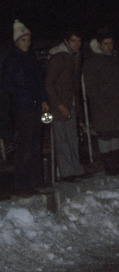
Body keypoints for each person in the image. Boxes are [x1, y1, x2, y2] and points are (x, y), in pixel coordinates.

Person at [1, 20, 49, 193]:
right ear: (16, 41)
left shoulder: (31, 58)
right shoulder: (11, 60)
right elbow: (6, 86)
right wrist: (22, 95)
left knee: (36, 143)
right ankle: (22, 183)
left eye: (28, 40)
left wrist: (43, 100)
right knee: (24, 146)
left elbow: (39, 82)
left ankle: (37, 179)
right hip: (21, 108)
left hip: (35, 106)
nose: (27, 43)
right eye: (23, 40)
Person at [82, 28, 119, 175]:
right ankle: (108, 164)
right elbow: (91, 87)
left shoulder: (116, 58)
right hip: (103, 105)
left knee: (116, 133)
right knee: (105, 134)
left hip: (118, 104)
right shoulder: (92, 62)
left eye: (111, 43)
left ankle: (117, 162)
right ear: (98, 44)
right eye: (105, 43)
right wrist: (101, 100)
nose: (109, 46)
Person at [45, 27, 85, 181]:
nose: (77, 44)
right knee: (62, 140)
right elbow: (49, 84)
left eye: (79, 41)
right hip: (58, 106)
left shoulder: (75, 56)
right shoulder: (58, 58)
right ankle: (67, 172)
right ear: (66, 41)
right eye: (73, 41)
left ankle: (76, 168)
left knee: (72, 138)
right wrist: (60, 105)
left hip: (71, 103)